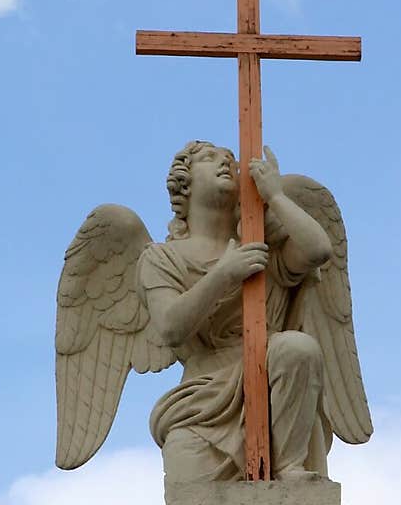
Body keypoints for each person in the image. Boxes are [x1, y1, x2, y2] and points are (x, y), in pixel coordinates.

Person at [136, 140, 334, 486]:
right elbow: (170, 328)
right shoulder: (161, 259)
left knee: (298, 348)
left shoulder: (262, 249)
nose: (226, 163)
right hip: (202, 403)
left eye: (231, 160)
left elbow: (318, 250)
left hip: (272, 382)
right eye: (210, 159)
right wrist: (225, 274)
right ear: (185, 183)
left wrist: (276, 196)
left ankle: (288, 466)